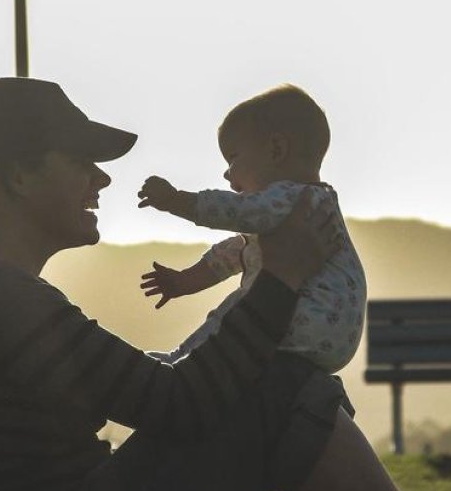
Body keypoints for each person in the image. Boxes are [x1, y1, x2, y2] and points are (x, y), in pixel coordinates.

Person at [0, 77, 431, 491]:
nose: (102, 176)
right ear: (18, 174)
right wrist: (282, 277)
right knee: (279, 385)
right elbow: (179, 403)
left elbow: (149, 391)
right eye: (81, 159)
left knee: (276, 382)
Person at [136, 84, 365, 377]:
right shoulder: (308, 208)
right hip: (330, 336)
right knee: (241, 312)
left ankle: (182, 364)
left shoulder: (296, 198)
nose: (227, 173)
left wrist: (178, 201)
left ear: (276, 150)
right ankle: (182, 361)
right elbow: (236, 254)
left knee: (234, 314)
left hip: (305, 319)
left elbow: (238, 211)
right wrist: (184, 282)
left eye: (233, 158)